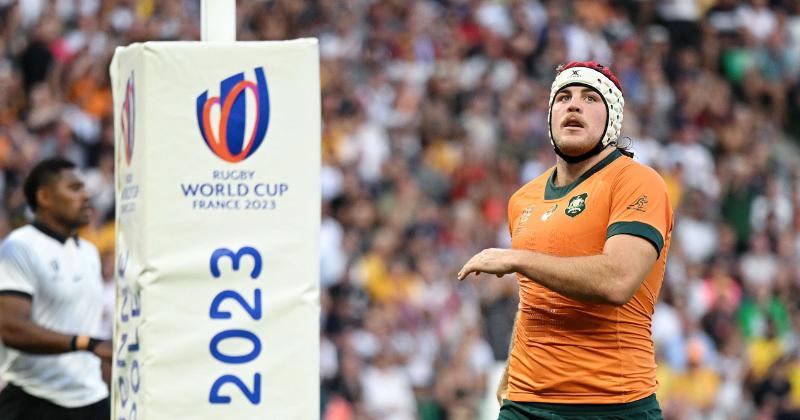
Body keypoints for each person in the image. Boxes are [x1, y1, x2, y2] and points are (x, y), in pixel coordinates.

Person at [458, 61, 673, 419]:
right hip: (526, 402)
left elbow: (617, 281)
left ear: (613, 118)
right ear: (550, 116)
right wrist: (512, 365)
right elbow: (534, 296)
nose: (574, 105)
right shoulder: (523, 199)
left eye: (590, 98)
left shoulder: (637, 182)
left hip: (613, 403)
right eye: (563, 98)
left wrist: (517, 259)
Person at [0, 157, 111, 420]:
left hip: (92, 401)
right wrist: (86, 344)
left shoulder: (89, 252)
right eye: (74, 188)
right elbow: (10, 327)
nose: (86, 196)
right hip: (35, 400)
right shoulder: (19, 247)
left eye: (84, 188)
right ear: (44, 197)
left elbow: (88, 326)